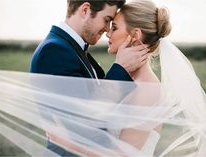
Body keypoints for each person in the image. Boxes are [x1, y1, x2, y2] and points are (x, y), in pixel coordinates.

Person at [45, 0, 206, 156]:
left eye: (114, 27)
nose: (108, 32)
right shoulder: (124, 79)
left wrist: (69, 143)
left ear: (135, 36)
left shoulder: (149, 89)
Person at [29, 1, 149, 156]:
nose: (107, 30)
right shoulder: (55, 51)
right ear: (85, 10)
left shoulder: (72, 49)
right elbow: (84, 122)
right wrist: (121, 68)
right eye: (106, 20)